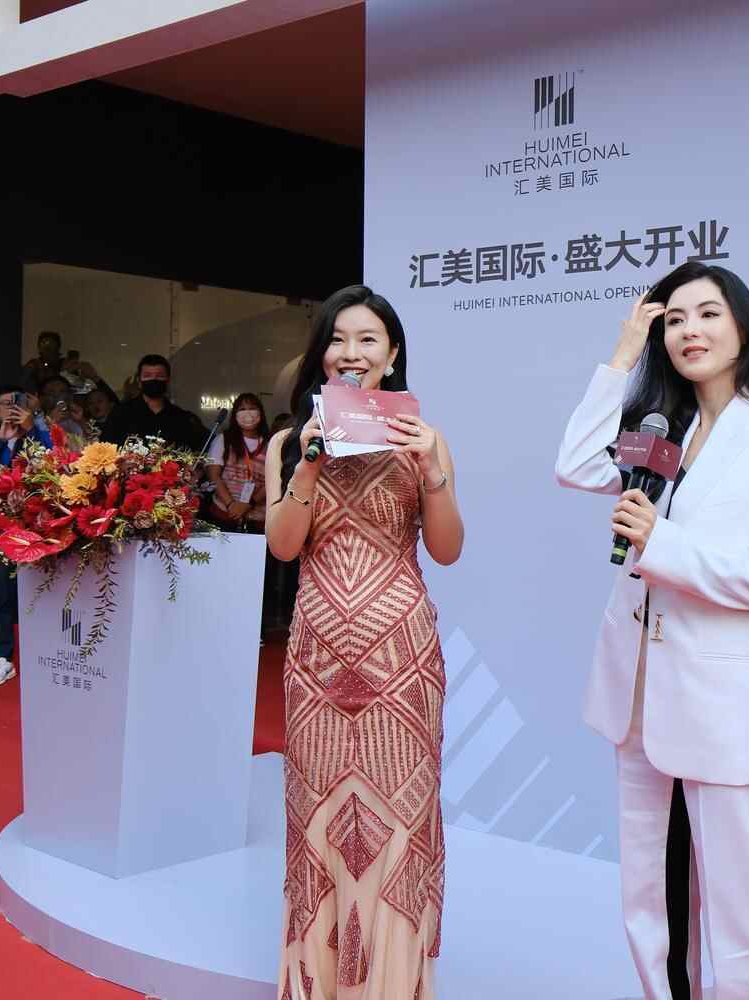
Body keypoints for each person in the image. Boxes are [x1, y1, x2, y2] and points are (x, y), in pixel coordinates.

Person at [555, 261, 749, 1000]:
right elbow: (574, 465)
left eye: (707, 314)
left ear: (743, 328)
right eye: (674, 320)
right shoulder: (660, 429)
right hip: (638, 699)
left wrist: (660, 542)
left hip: (723, 704)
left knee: (744, 912)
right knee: (651, 900)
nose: (689, 331)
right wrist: (621, 358)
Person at [265, 285, 463, 1000]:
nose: (351, 352)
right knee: (316, 816)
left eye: (367, 339)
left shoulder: (423, 438)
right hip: (317, 655)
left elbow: (447, 550)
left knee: (400, 818)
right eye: (338, 339)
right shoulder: (289, 442)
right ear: (321, 354)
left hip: (402, 656)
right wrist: (309, 464)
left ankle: (394, 985)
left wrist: (432, 471)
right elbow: (284, 547)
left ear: (392, 353)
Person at [0, 385, 54, 688]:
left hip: (39, 527)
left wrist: (33, 428)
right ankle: (2, 658)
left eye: (19, 403)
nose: (13, 408)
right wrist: (2, 440)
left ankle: (48, 654)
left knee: (41, 592)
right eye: (7, 403)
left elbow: (54, 461)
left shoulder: (40, 434)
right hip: (0, 527)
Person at [100, 355, 206, 452]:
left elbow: (201, 452)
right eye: (147, 375)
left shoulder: (183, 419)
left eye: (160, 375)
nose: (154, 379)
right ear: (139, 380)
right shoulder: (121, 414)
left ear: (168, 380)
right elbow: (105, 451)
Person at [206, 393, 270, 531]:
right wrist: (231, 504)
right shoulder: (224, 439)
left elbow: (273, 480)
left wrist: (249, 503)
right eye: (242, 409)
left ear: (261, 412)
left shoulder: (271, 443)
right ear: (235, 415)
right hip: (224, 513)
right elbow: (213, 475)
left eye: (252, 408)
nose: (248, 413)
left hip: (257, 519)